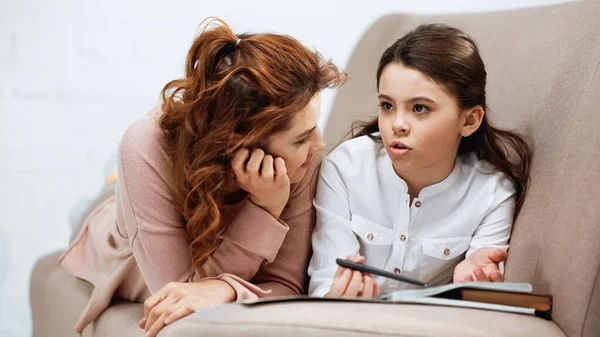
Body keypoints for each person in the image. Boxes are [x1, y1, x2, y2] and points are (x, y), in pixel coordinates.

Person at [59, 18, 346, 337]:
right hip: (115, 232)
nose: (319, 146)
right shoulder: (144, 145)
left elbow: (288, 286)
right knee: (95, 206)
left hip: (194, 204)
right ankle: (114, 184)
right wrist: (264, 211)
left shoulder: (301, 161)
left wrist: (224, 290)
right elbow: (178, 296)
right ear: (241, 143)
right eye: (302, 138)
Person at [308, 23, 532, 298]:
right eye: (387, 106)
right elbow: (323, 286)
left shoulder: (492, 193)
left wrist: (474, 284)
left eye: (420, 108)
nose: (397, 124)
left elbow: (482, 299)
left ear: (469, 120)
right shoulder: (343, 168)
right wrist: (337, 296)